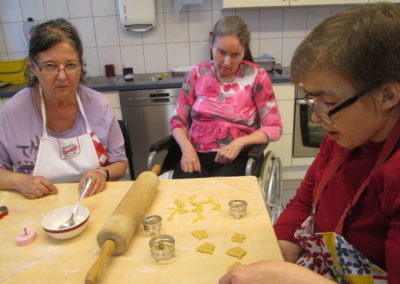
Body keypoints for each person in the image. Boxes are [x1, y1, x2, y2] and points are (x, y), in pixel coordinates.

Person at [220, 2, 400, 283]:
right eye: (312, 101)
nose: (316, 117)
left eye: (328, 102)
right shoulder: (346, 137)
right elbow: (306, 199)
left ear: (387, 96)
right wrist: (280, 248)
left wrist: (289, 278)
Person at [0, 19, 128, 199]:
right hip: (37, 206)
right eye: (50, 66)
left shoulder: (98, 105)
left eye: (70, 65)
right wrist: (19, 181)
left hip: (94, 201)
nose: (62, 76)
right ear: (33, 67)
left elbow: (120, 164)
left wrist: (102, 173)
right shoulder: (13, 112)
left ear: (80, 65)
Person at [169, 15, 282, 178]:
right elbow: (176, 121)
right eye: (221, 52)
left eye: (235, 54)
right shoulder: (197, 73)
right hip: (196, 154)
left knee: (222, 196)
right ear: (211, 44)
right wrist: (186, 149)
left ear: (244, 51)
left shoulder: (257, 76)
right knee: (183, 197)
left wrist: (240, 142)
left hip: (237, 156)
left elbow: (275, 128)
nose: (227, 62)